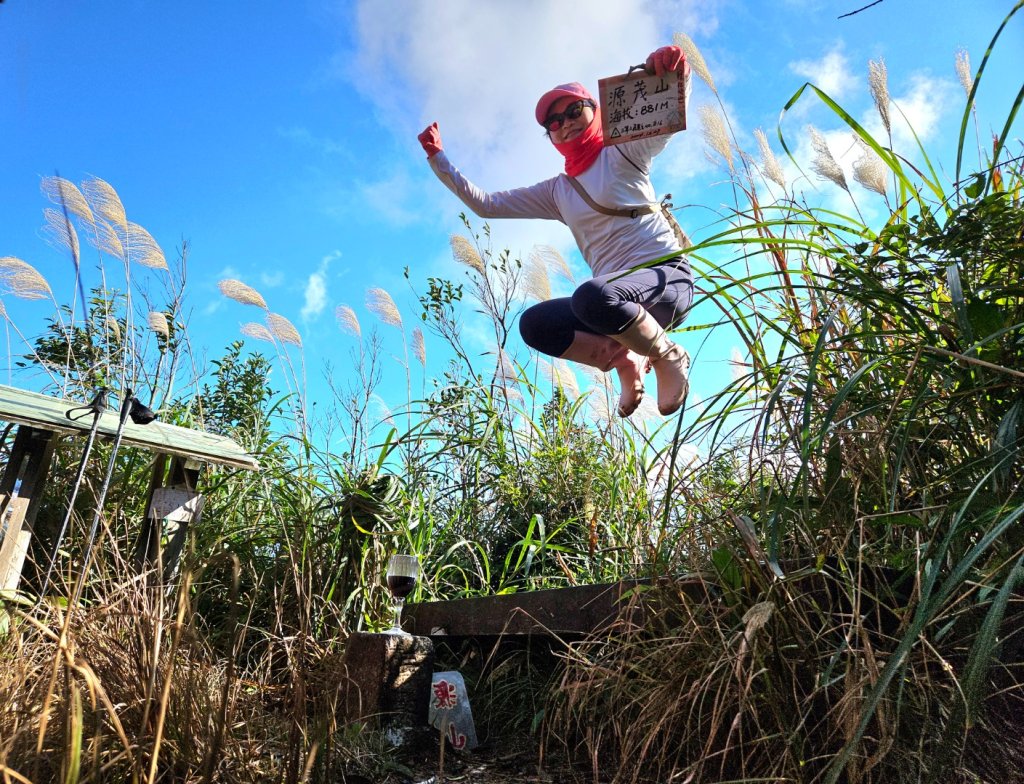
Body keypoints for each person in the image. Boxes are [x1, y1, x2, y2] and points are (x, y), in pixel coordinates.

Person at [417, 46, 693, 417]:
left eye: (573, 111)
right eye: (553, 123)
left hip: (666, 281)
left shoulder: (623, 152)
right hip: (617, 306)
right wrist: (439, 160)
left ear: (595, 111)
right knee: (535, 325)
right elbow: (487, 204)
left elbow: (665, 116)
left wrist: (676, 72)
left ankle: (667, 354)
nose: (564, 123)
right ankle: (622, 359)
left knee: (592, 297)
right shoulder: (557, 192)